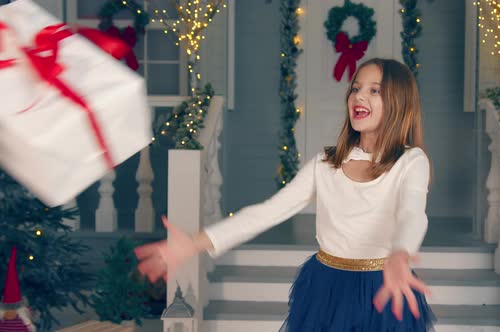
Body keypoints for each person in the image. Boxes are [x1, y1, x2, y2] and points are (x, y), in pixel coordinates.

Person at [135, 58, 437, 331]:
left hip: (383, 285)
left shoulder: (410, 162)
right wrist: (191, 244)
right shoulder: (325, 164)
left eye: (374, 90)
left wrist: (400, 254)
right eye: (356, 88)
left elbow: (412, 214)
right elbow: (266, 212)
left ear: (399, 102)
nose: (358, 95)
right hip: (326, 286)